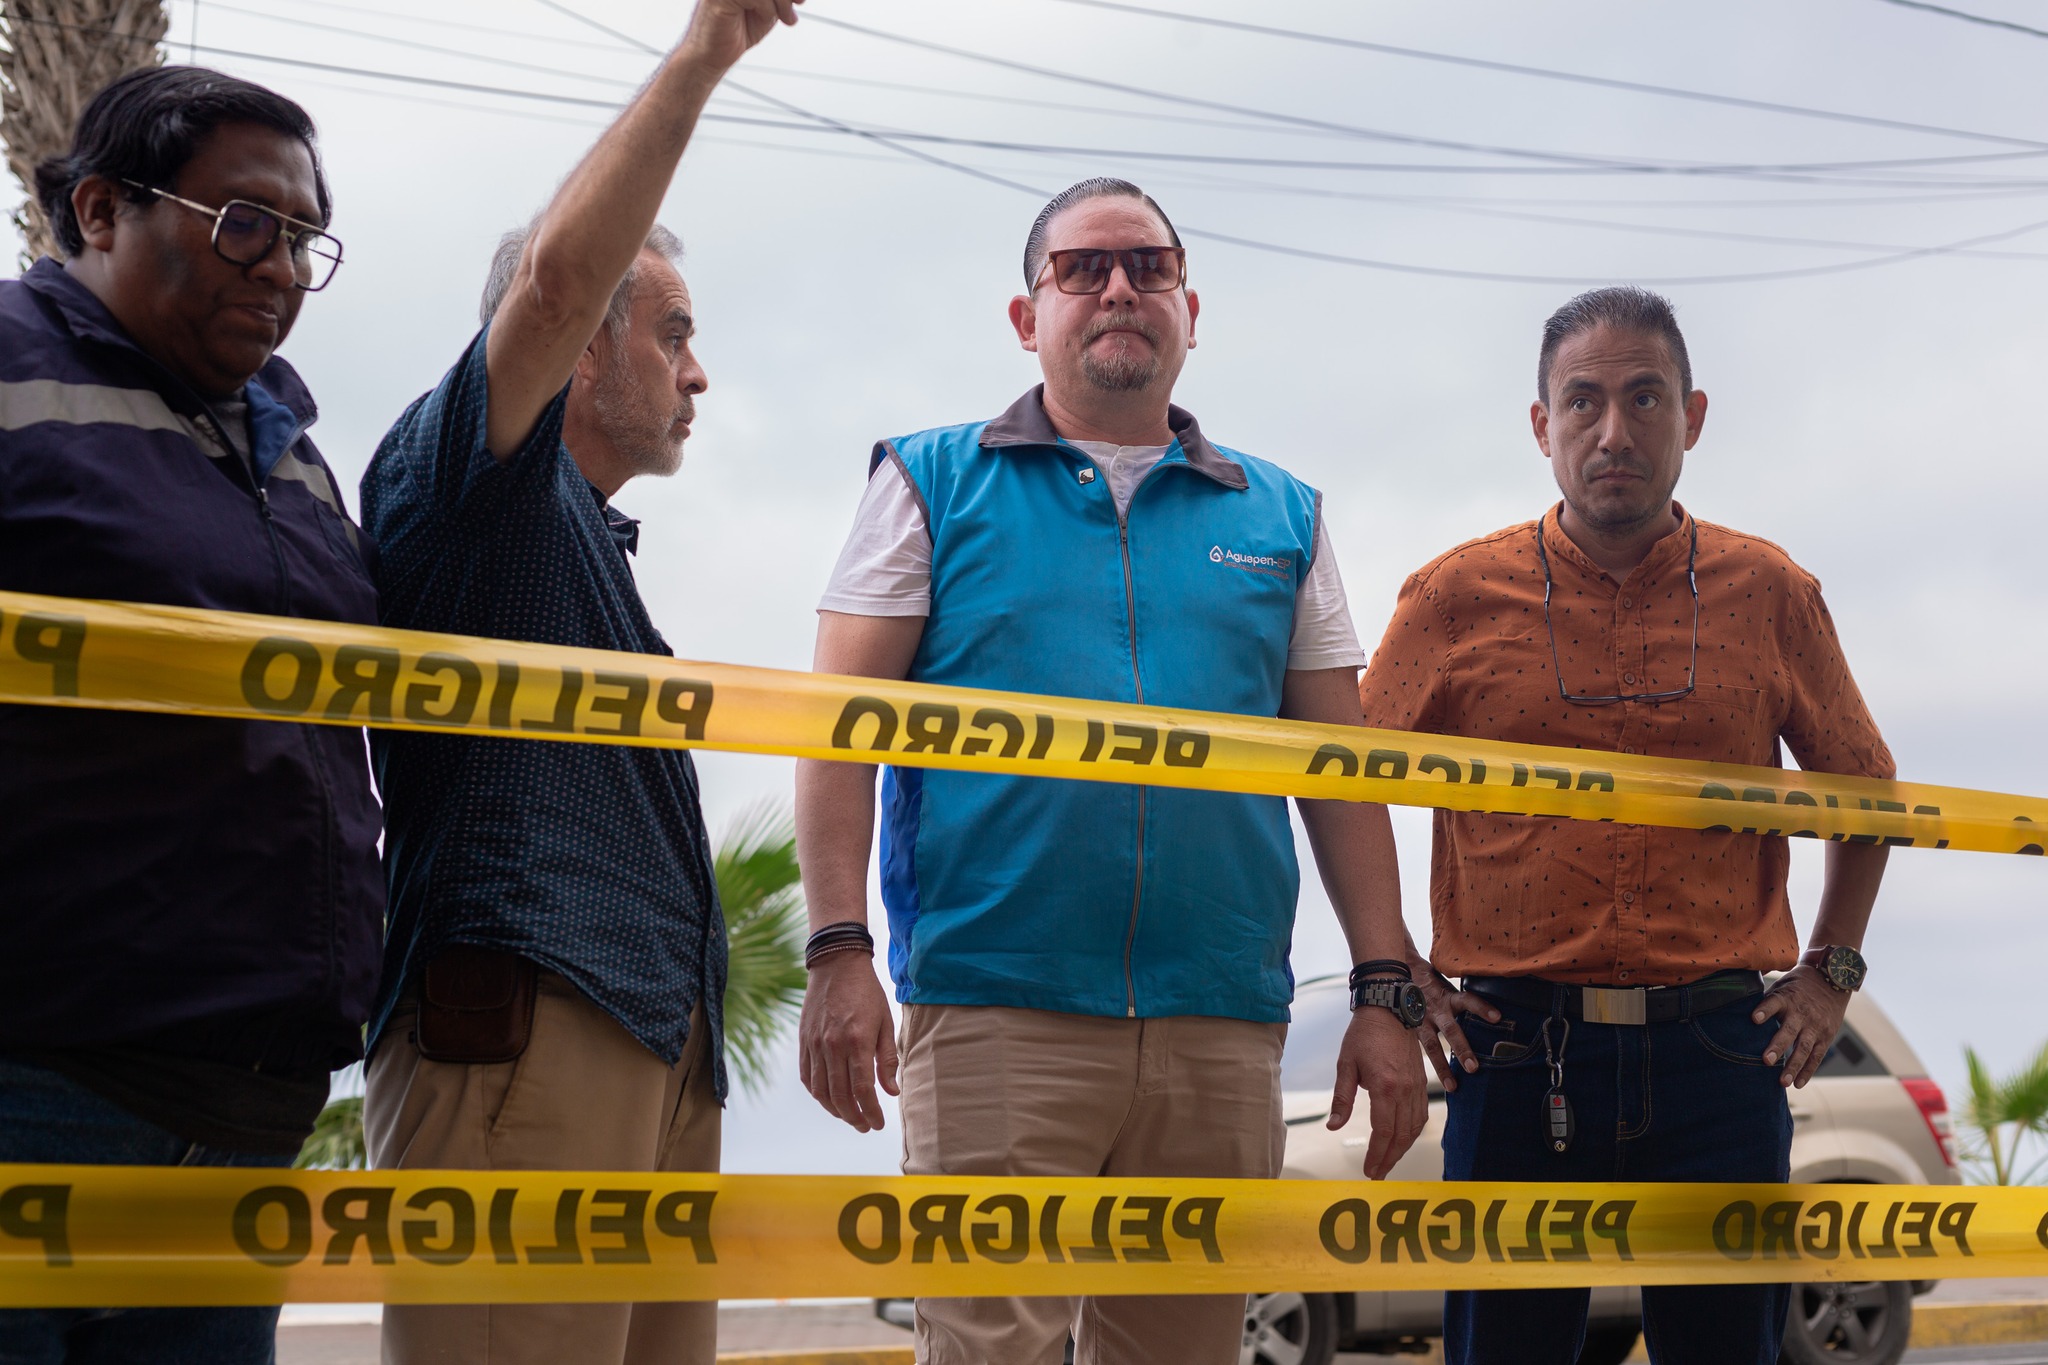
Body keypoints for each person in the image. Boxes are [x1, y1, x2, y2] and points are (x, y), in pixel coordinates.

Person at [795, 177, 1429, 1365]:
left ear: (1192, 305)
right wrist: (838, 951)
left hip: (1218, 1022)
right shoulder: (929, 480)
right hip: (995, 1012)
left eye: (1145, 265)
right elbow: (837, 734)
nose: (1117, 288)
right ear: (1024, 315)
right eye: (1079, 269)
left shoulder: (1281, 514)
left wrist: (1383, 990)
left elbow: (1341, 775)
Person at [357, 3, 800, 1362]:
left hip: (651, 1051)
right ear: (583, 349)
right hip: (525, 1031)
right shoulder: (475, 481)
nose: (699, 370)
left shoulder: (577, 538)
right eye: (671, 330)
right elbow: (548, 287)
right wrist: (703, 54)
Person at [1359, 286, 1894, 1365]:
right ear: (1539, 425)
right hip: (1511, 1051)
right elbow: (1341, 780)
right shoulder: (1453, 595)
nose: (1613, 432)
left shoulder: (1769, 591)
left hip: (1716, 1053)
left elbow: (1866, 789)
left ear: (1690, 417)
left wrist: (1831, 969)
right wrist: (1394, 971)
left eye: (1643, 398)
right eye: (1583, 402)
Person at [0, 67, 380, 1362]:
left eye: (304, 240)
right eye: (244, 224)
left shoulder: (293, 454)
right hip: (38, 1092)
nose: (278, 267)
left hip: (246, 1121)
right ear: (101, 210)